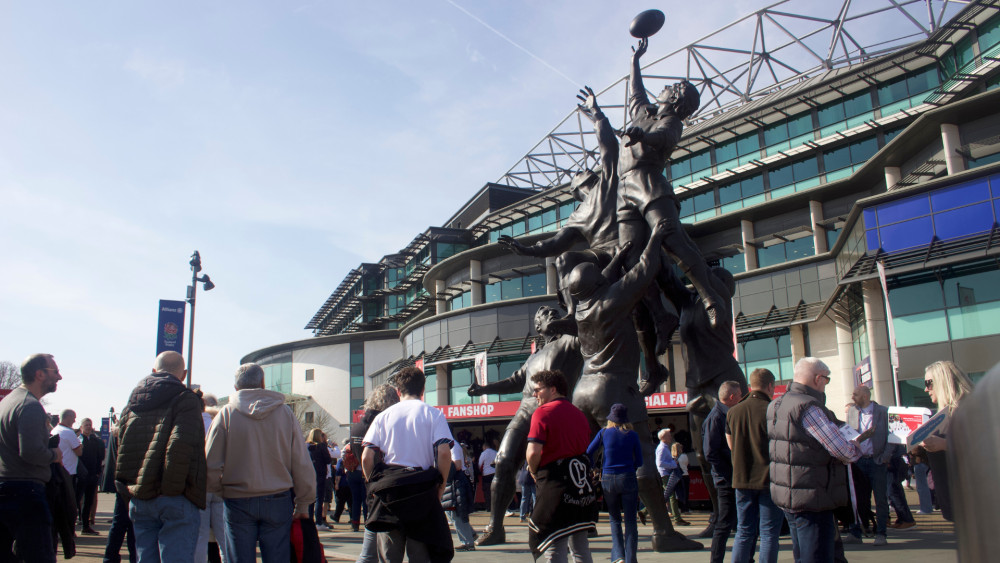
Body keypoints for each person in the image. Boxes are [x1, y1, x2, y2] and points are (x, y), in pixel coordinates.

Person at [498, 86, 673, 395]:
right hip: (602, 257)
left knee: (634, 303)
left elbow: (609, 149)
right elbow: (555, 244)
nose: (582, 181)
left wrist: (598, 116)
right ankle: (573, 314)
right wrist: (527, 249)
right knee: (565, 260)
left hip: (624, 249)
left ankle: (653, 357)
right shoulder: (579, 214)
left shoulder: (607, 186)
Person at [567, 218, 700, 552]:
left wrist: (615, 257)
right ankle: (663, 532)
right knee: (640, 457)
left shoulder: (582, 309)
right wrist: (654, 237)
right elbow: (644, 270)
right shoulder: (611, 302)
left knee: (581, 461)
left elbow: (601, 281)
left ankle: (577, 527)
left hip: (582, 391)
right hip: (613, 389)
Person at [468, 305, 584, 546]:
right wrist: (484, 389)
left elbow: (586, 327)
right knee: (504, 461)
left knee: (557, 470)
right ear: (538, 326)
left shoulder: (569, 342)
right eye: (543, 314)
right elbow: (515, 381)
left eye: (553, 311)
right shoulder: (533, 356)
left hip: (554, 412)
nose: (550, 313)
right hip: (525, 411)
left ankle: (571, 521)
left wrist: (569, 316)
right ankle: (495, 527)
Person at [205, 363, 315, 563]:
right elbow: (301, 461)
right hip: (278, 497)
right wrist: (303, 502)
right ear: (263, 383)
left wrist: (220, 490)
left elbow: (210, 464)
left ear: (236, 387)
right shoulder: (285, 414)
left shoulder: (226, 414)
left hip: (237, 497)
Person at [768, 358, 874, 563]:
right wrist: (857, 446)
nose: (826, 384)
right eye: (827, 379)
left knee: (803, 554)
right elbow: (843, 451)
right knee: (817, 556)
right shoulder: (809, 407)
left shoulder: (777, 404)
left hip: (789, 493)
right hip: (812, 495)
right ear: (818, 379)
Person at [115, 351, 206, 562]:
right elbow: (181, 445)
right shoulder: (186, 400)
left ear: (154, 371)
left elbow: (121, 448)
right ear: (183, 374)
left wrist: (128, 488)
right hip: (174, 497)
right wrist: (171, 489)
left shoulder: (131, 404)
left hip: (140, 496)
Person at [362, 367, 454, 563]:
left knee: (389, 557)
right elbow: (444, 452)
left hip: (390, 492)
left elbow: (366, 457)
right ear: (422, 390)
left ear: (398, 391)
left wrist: (373, 485)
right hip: (421, 491)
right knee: (420, 556)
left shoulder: (382, 417)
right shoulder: (433, 414)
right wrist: (441, 485)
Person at [526, 370, 595, 562]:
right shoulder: (580, 415)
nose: (534, 394)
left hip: (555, 484)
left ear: (553, 389)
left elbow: (533, 452)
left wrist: (532, 470)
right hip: (580, 487)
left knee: (554, 544)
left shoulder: (542, 413)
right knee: (581, 547)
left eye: (538, 390)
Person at [0, 353, 63, 562]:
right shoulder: (29, 406)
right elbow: (30, 452)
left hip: (7, 488)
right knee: (40, 555)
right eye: (55, 371)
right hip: (25, 493)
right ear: (39, 374)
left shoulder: (8, 402)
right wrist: (54, 454)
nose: (59, 377)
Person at [726, 368, 781, 563]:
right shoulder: (773, 409)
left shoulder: (733, 412)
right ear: (770, 386)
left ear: (750, 385)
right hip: (768, 479)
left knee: (744, 531)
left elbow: (731, 445)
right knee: (768, 533)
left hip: (741, 478)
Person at [914, 360, 974, 522]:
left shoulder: (969, 409)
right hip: (959, 503)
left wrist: (944, 444)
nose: (926, 389)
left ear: (943, 380)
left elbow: (984, 446)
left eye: (929, 383)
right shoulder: (945, 415)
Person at [586, 403, 642, 563]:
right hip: (628, 476)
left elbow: (589, 451)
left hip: (608, 478)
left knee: (614, 518)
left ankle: (618, 555)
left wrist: (594, 467)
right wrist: (632, 466)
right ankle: (631, 558)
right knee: (630, 520)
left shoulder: (603, 433)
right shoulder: (632, 435)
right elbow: (640, 460)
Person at [352, 383, 400, 563]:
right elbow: (369, 457)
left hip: (370, 489)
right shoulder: (383, 424)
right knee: (376, 553)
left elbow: (361, 459)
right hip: (385, 491)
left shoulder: (357, 428)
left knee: (371, 551)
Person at [844, 384, 892, 545]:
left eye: (855, 394)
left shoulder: (883, 412)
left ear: (865, 396)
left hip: (877, 461)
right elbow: (848, 433)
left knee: (880, 499)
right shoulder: (852, 412)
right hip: (859, 461)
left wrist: (885, 457)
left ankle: (881, 534)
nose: (852, 397)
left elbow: (892, 436)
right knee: (858, 499)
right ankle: (857, 531)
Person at [703, 381, 743, 563]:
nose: (742, 398)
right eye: (740, 395)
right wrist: (727, 474)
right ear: (732, 397)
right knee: (724, 523)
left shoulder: (724, 414)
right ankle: (716, 559)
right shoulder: (717, 417)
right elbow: (711, 452)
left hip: (728, 476)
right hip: (725, 479)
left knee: (731, 521)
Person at [196, 394, 228, 563]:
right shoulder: (223, 425)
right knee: (225, 539)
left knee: (199, 538)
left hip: (200, 485)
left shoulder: (194, 424)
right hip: (221, 484)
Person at [101, 420, 137, 563]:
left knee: (120, 523)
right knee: (128, 524)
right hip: (129, 482)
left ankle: (110, 557)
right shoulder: (126, 431)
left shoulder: (116, 432)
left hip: (121, 482)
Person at [442, 440, 476, 551]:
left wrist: (442, 468)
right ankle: (471, 534)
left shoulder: (453, 446)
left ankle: (468, 542)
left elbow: (457, 464)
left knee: (457, 513)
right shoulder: (448, 446)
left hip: (455, 483)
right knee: (451, 513)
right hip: (451, 483)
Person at [50, 409, 83, 518]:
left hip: (57, 470)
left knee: (57, 503)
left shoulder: (55, 430)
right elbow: (79, 452)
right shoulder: (69, 432)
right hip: (69, 472)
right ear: (68, 417)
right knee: (69, 504)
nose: (74, 420)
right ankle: (69, 530)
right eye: (74, 417)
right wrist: (81, 445)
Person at [77, 417, 105, 536]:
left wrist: (98, 472)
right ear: (81, 427)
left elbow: (100, 457)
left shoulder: (96, 441)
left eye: (90, 425)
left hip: (92, 475)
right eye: (86, 425)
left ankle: (85, 526)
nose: (88, 427)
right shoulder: (78, 440)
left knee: (88, 501)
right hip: (80, 475)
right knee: (76, 500)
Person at [654, 429, 686, 526]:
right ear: (663, 437)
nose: (670, 437)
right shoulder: (662, 448)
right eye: (668, 435)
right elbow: (660, 463)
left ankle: (644, 512)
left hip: (666, 473)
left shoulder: (664, 447)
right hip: (665, 474)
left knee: (667, 495)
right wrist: (673, 464)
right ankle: (677, 518)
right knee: (670, 495)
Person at [306, 429, 333, 530]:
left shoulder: (306, 446)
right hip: (320, 474)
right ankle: (318, 522)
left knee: (310, 499)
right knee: (319, 498)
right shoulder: (321, 446)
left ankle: (308, 521)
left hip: (308, 474)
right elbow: (328, 460)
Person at [478, 439, 498, 513]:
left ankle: (489, 507)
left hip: (486, 474)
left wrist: (479, 471)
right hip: (495, 473)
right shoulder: (496, 452)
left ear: (485, 446)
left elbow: (480, 464)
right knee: (495, 491)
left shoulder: (483, 454)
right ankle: (496, 507)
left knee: (487, 492)